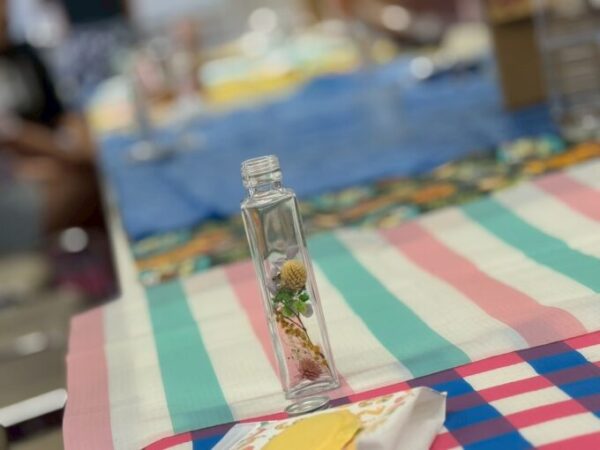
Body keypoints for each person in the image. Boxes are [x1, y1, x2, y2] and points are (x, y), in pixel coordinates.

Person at [0, 0, 99, 254]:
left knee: (98, 179)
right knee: (92, 185)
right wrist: (70, 155)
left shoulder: (23, 54)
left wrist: (78, 144)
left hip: (49, 162)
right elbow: (13, 134)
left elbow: (62, 112)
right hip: (14, 185)